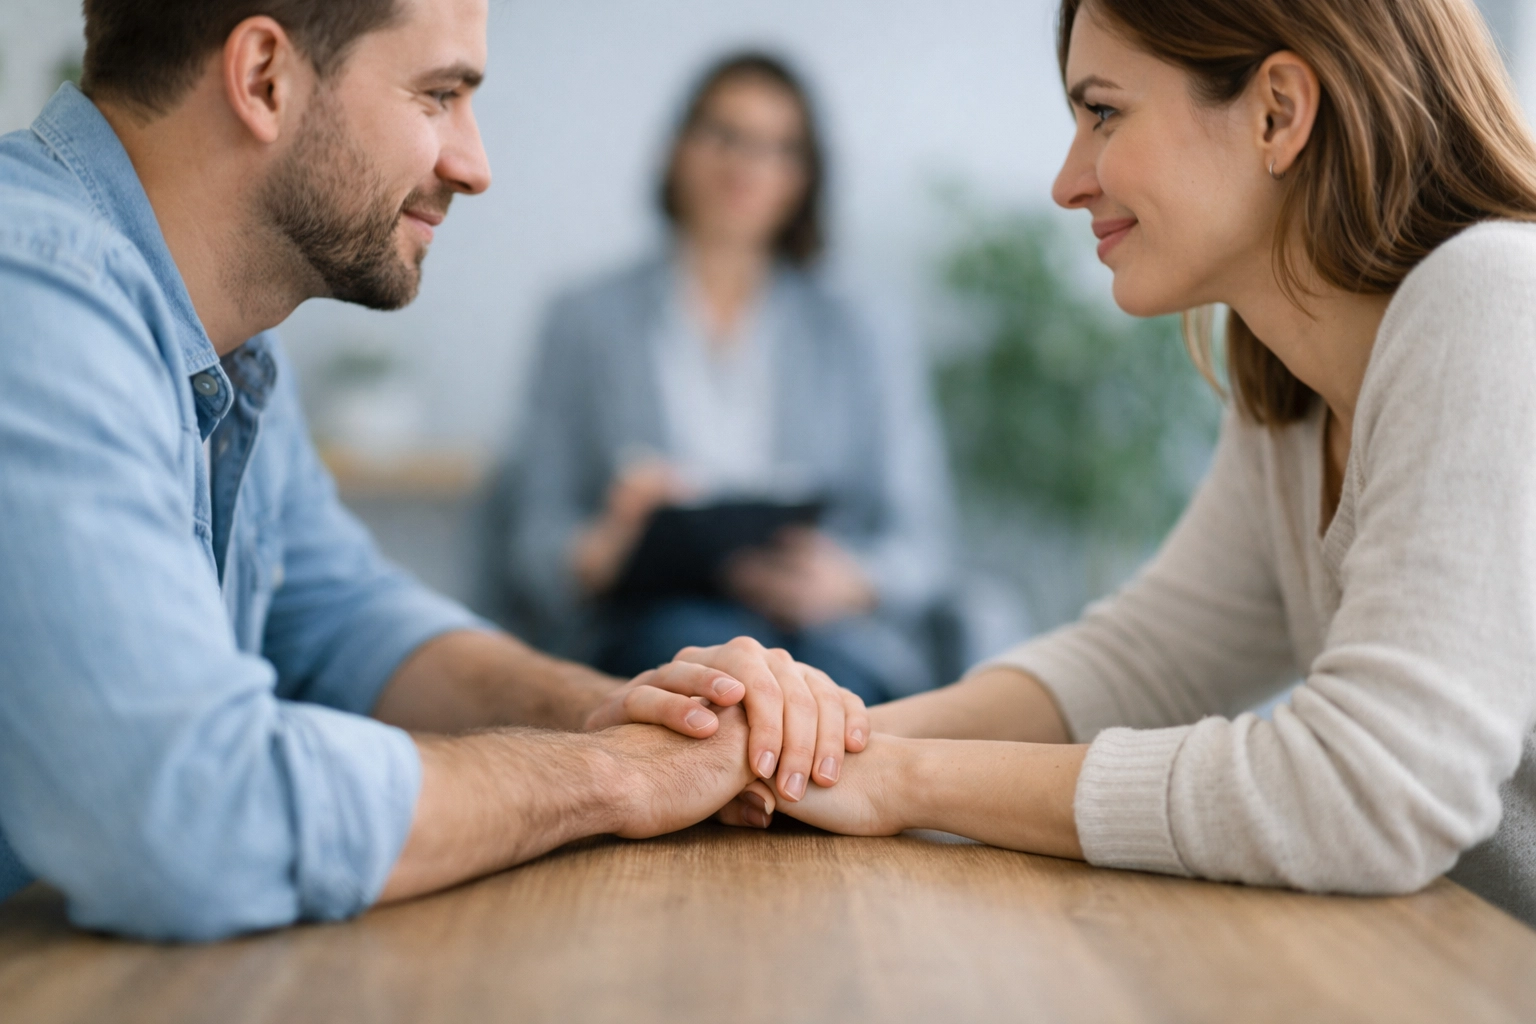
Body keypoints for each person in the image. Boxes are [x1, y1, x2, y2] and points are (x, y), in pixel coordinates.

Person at [0, 0, 867, 942]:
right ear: (263, 79)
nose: (474, 164)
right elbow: (189, 819)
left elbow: (344, 616)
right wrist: (617, 777)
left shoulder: (229, 342)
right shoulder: (33, 293)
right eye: (439, 95)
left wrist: (629, 709)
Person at [735, 0, 1536, 928]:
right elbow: (1144, 661)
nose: (1069, 182)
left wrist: (902, 779)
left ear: (1278, 111)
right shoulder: (1296, 384)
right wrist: (801, 743)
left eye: (1103, 113)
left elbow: (1368, 792)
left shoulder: (1499, 300)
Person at [504, 53, 957, 705]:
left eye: (779, 148)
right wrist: (606, 546)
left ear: (805, 177)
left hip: (822, 631)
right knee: (703, 663)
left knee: (817, 689)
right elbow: (531, 540)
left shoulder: (860, 330)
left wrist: (850, 581)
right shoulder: (583, 322)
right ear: (677, 148)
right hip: (653, 625)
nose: (747, 167)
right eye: (726, 136)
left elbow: (925, 540)